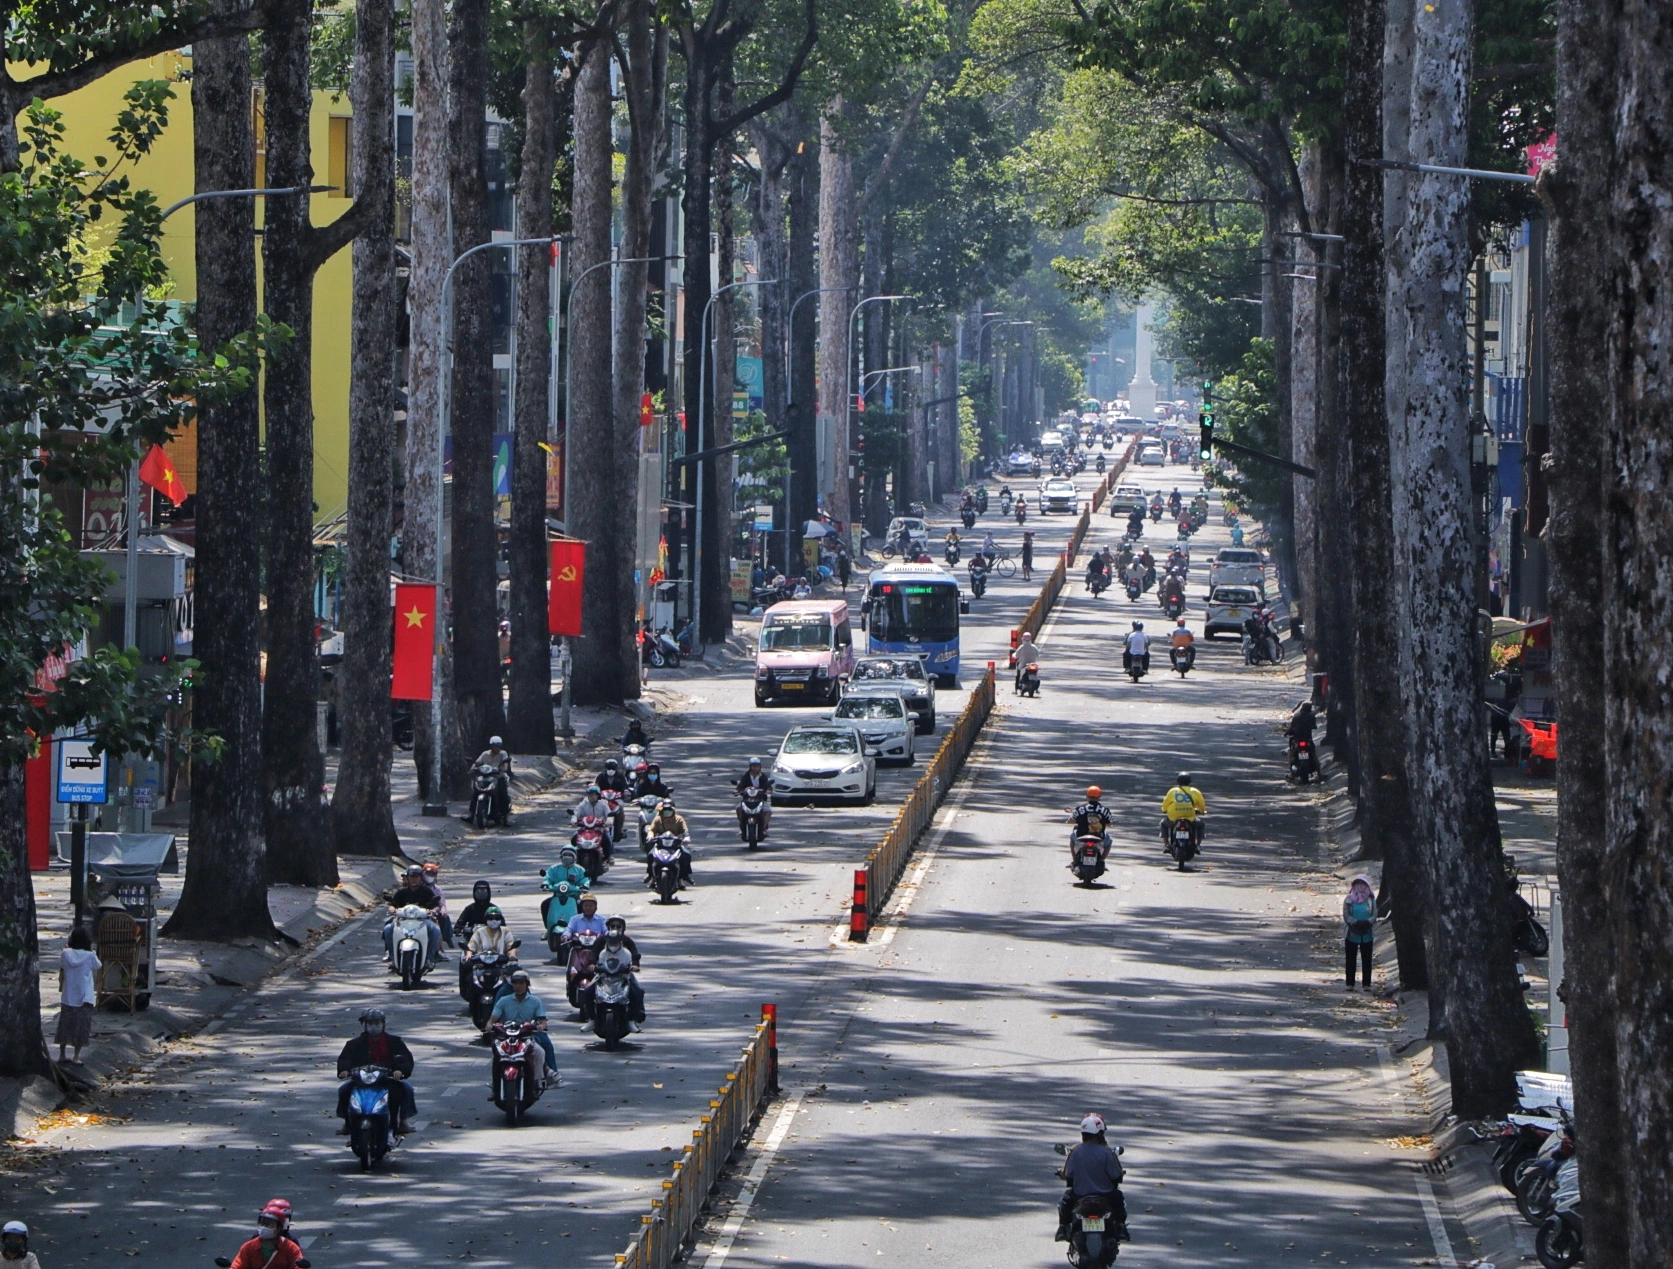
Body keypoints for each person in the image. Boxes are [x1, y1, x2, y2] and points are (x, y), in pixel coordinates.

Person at [335, 1010, 417, 1136]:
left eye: (377, 1023)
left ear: (383, 1024)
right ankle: (348, 1123)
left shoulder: (394, 1042)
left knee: (407, 1089)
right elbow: (345, 1059)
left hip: (386, 1078)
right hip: (361, 1079)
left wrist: (399, 1070)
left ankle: (403, 1121)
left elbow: (405, 1059)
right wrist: (344, 1071)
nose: (374, 1026)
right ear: (365, 1025)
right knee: (344, 1090)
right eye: (370, 1023)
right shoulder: (354, 1044)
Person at [1055, 1114, 1128, 1243]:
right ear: (1100, 1134)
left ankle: (1062, 1229)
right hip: (1106, 1195)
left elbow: (1068, 1174)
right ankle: (1122, 1228)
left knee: (1065, 1201)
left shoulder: (1075, 1152)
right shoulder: (1106, 1153)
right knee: (1118, 1198)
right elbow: (1115, 1175)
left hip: (1079, 1195)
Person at [487, 970, 554, 1089]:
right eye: (515, 983)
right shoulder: (504, 1000)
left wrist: (541, 1026)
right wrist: (490, 1025)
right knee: (497, 1055)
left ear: (527, 984)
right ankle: (495, 1086)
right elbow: (492, 1019)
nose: (518, 986)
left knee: (539, 1052)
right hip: (506, 1038)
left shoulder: (535, 1001)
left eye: (521, 983)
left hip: (526, 1038)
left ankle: (536, 1082)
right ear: (511, 984)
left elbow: (543, 1021)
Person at [581, 916, 647, 1029]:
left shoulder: (627, 946)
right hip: (604, 975)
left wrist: (634, 966)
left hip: (624, 975)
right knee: (587, 991)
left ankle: (632, 1019)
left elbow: (635, 955)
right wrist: (593, 965)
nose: (615, 928)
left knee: (638, 992)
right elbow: (594, 953)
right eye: (612, 926)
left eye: (618, 926)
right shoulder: (601, 942)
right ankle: (591, 1019)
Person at [55, 924, 100, 1065]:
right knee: (81, 1027)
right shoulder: (90, 956)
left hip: (68, 995)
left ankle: (62, 1054)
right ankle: (76, 1056)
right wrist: (92, 951)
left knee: (65, 1025)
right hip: (84, 996)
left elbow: (62, 967)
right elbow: (98, 966)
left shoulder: (65, 954)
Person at [382, 865, 442, 968]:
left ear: (420, 878)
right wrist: (392, 908)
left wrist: (433, 911)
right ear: (408, 878)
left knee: (435, 930)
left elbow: (436, 905)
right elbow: (393, 904)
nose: (414, 879)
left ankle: (429, 958)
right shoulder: (402, 892)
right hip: (402, 921)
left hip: (422, 921)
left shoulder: (426, 891)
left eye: (416, 877)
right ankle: (392, 957)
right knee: (388, 929)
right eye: (411, 877)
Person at [227, 1201, 306, 1269]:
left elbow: (299, 1266)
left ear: (278, 1228)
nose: (264, 1227)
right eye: (262, 1223)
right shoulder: (248, 1247)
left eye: (269, 1224)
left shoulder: (291, 1248)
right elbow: (237, 1265)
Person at [462, 905, 517, 999]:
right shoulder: (480, 931)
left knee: (517, 976)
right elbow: (471, 946)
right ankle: (471, 999)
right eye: (490, 918)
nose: (494, 920)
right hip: (481, 964)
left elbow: (511, 946)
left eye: (497, 918)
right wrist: (469, 955)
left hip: (500, 964)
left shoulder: (506, 931)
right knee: (470, 977)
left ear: (501, 919)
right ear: (486, 919)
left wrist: (512, 955)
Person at [644, 802, 695, 887]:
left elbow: (685, 830)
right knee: (650, 855)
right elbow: (651, 830)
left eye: (669, 810)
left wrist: (686, 837)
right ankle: (651, 875)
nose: (667, 812)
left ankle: (683, 877)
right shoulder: (658, 819)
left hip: (676, 844)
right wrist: (650, 835)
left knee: (686, 855)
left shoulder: (679, 819)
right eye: (665, 810)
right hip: (661, 845)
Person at [1343, 875, 1376, 991]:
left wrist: (1367, 923)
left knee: (1367, 959)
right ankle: (1350, 983)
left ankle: (1366, 984)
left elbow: (1374, 915)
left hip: (1367, 934)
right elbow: (1346, 915)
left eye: (1363, 885)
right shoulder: (1348, 899)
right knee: (1350, 959)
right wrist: (1355, 922)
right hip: (1352, 933)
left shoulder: (1371, 900)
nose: (1360, 888)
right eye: (1358, 885)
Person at [1161, 772, 1207, 851]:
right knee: (1201, 825)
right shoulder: (1195, 791)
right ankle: (1198, 845)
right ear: (1189, 782)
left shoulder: (1172, 791)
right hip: (1190, 818)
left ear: (1178, 781)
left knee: (1163, 823)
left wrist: (1164, 810)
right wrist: (1201, 811)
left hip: (1173, 818)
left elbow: (1165, 803)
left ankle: (1166, 845)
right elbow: (1201, 805)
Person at [471, 735, 512, 821]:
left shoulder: (503, 753)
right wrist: (472, 768)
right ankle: (471, 815)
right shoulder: (485, 754)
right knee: (475, 792)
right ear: (491, 746)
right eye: (496, 745)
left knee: (503, 795)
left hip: (498, 777)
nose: (498, 747)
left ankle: (505, 818)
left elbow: (505, 764)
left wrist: (504, 768)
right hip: (486, 777)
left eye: (499, 745)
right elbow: (477, 762)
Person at [1068, 785, 1113, 856]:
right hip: (1099, 837)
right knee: (1109, 840)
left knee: (1072, 838)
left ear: (1087, 796)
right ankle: (1101, 860)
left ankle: (1075, 861)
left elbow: (1071, 820)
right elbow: (1110, 823)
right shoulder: (1105, 810)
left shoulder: (1080, 808)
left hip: (1081, 835)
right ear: (1099, 797)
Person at [735, 758, 772, 840]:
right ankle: (742, 826)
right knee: (738, 808)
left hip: (760, 800)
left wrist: (768, 791)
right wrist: (738, 791)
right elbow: (740, 786)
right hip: (747, 800)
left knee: (768, 811)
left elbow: (768, 787)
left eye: (757, 766)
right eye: (753, 766)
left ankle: (763, 828)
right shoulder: (745, 776)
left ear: (760, 767)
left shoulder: (763, 777)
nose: (755, 768)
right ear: (750, 767)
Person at [420, 861, 453, 948]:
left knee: (444, 918)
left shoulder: (437, 890)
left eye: (432, 874)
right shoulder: (417, 887)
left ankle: (445, 938)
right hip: (417, 911)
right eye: (428, 873)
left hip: (431, 911)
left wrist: (442, 911)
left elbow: (441, 903)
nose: (430, 876)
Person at [454, 879, 495, 948]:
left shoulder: (493, 908)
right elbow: (461, 920)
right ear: (474, 892)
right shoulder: (470, 908)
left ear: (488, 892)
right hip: (472, 937)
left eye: (484, 891)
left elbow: (501, 923)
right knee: (466, 950)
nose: (481, 893)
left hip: (490, 937)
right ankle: (467, 957)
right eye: (478, 891)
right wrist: (458, 929)